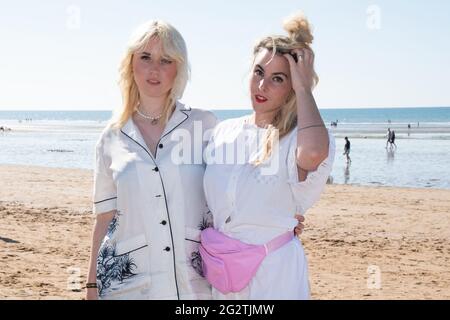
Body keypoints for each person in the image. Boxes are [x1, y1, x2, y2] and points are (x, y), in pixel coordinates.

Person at [86, 20, 305, 300]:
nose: (154, 69)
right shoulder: (110, 139)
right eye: (145, 57)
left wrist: (280, 216)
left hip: (195, 286)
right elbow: (104, 218)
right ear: (130, 63)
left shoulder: (206, 126)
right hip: (127, 286)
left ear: (178, 68)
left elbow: (246, 183)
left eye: (166, 60)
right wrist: (91, 286)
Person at [203, 12, 335, 300]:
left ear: (292, 86)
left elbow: (313, 153)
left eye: (278, 78)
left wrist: (304, 86)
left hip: (275, 275)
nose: (262, 86)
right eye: (259, 72)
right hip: (224, 272)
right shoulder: (223, 131)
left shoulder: (298, 136)